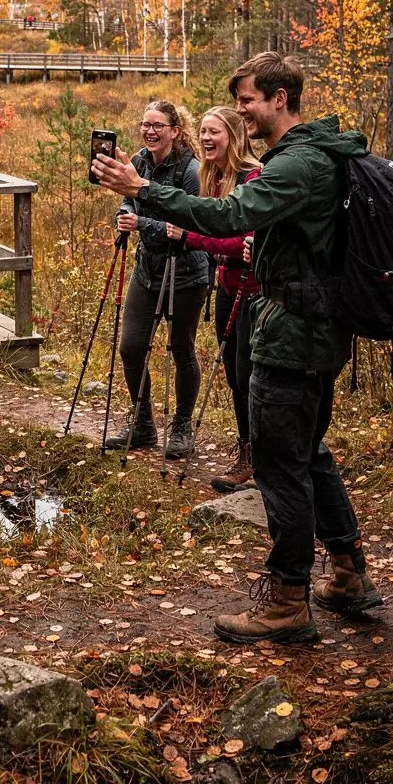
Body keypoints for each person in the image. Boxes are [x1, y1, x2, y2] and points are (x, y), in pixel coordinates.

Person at [93, 51, 381, 645]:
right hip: (314, 329)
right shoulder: (318, 156)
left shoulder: (299, 164)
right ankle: (349, 571)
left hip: (294, 334)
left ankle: (286, 600)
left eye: (248, 100)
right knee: (307, 452)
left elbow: (229, 216)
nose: (242, 111)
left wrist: (143, 189)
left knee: (279, 464)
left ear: (280, 98)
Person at [104, 100, 209, 459]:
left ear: (175, 131)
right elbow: (130, 200)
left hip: (187, 271)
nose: (149, 131)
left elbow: (190, 225)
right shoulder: (138, 161)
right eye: (144, 124)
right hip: (147, 268)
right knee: (131, 347)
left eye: (157, 125)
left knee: (181, 349)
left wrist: (142, 224)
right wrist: (123, 212)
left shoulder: (193, 171)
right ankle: (143, 421)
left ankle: (181, 425)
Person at [165, 104, 261, 492]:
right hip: (225, 287)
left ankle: (263, 456)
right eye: (202, 131)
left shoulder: (253, 178)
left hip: (254, 293)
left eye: (214, 132)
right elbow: (222, 239)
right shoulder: (214, 177)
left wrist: (190, 238)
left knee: (249, 376)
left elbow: (240, 241)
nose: (205, 138)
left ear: (233, 137)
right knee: (237, 380)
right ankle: (247, 452)